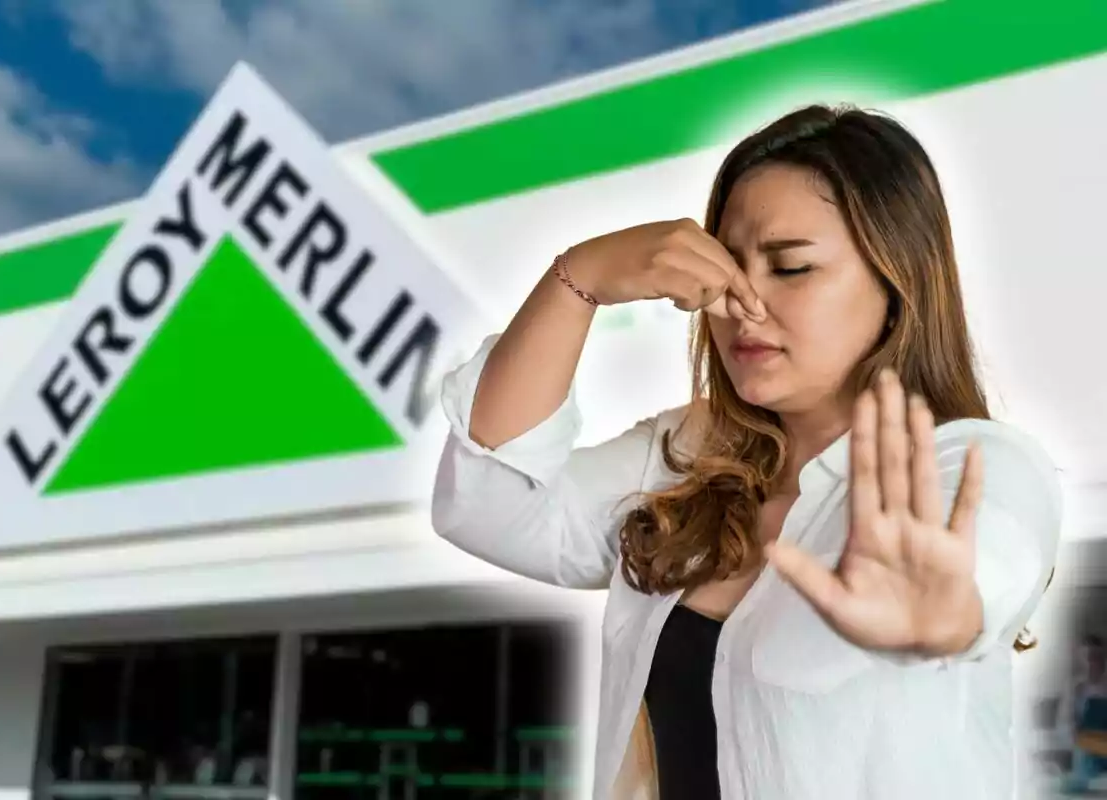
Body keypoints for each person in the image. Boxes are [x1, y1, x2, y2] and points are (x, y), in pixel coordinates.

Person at [430, 104, 1063, 800]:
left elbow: (990, 555)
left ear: (897, 284)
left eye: (791, 267)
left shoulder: (974, 463)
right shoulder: (683, 457)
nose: (743, 303)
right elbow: (487, 503)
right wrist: (578, 279)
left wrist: (948, 614)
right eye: (730, 268)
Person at [1061, 635, 1107, 793]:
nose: (1092, 663)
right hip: (1086, 756)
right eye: (1088, 658)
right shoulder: (1075, 690)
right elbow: (1066, 728)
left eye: (1097, 658)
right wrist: (1074, 734)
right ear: (1082, 661)